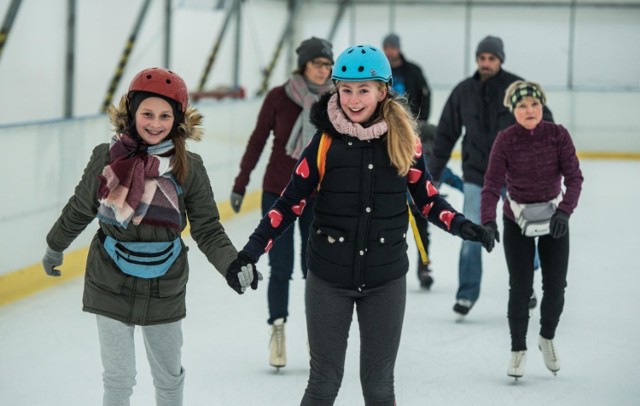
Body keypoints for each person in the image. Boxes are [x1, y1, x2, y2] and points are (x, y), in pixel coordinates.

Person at [234, 44, 494, 405]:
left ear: (383, 91)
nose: (353, 100)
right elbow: (287, 204)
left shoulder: (406, 143)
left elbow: (428, 200)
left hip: (385, 281)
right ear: (335, 90)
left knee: (378, 387)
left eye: (364, 90)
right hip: (328, 279)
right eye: (346, 90)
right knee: (323, 384)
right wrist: (249, 252)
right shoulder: (323, 144)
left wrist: (465, 226)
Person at [41, 67, 261, 405]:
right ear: (131, 113)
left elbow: (206, 227)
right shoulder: (107, 157)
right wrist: (55, 246)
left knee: (169, 379)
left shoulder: (189, 166)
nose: (155, 123)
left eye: (164, 116)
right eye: (147, 113)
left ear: (178, 119)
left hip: (165, 284)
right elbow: (81, 207)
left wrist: (232, 264)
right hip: (109, 279)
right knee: (118, 379)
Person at [428, 35, 553, 320]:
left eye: (491, 59)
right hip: (477, 174)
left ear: (500, 60)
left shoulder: (517, 88)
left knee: (524, 229)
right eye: (482, 58)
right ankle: (466, 294)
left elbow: (543, 118)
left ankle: (528, 285)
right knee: (471, 232)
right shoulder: (463, 91)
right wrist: (433, 175)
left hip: (514, 173)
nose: (486, 63)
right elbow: (446, 133)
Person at [230, 36, 334, 369]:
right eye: (318, 63)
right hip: (279, 191)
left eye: (328, 64)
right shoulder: (279, 97)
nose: (324, 70)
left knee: (314, 268)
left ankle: (316, 337)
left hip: (319, 195)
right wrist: (240, 183)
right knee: (280, 266)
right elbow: (257, 141)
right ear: (303, 64)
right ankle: (278, 330)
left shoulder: (336, 101)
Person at [480, 80, 583, 379]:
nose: (529, 110)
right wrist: (488, 219)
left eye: (534, 104)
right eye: (522, 105)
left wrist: (564, 212)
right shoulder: (505, 140)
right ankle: (517, 350)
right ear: (513, 110)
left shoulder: (557, 135)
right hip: (516, 220)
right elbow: (491, 185)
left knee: (555, 288)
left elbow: (575, 178)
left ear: (542, 106)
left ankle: (547, 337)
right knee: (521, 288)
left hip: (554, 221)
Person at [383, 32, 464, 290]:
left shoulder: (413, 71)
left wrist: (418, 120)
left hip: (411, 126)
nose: (390, 51)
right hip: (386, 132)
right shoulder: (379, 71)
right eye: (387, 47)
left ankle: (423, 265)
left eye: (393, 47)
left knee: (421, 225)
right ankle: (387, 268)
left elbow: (424, 94)